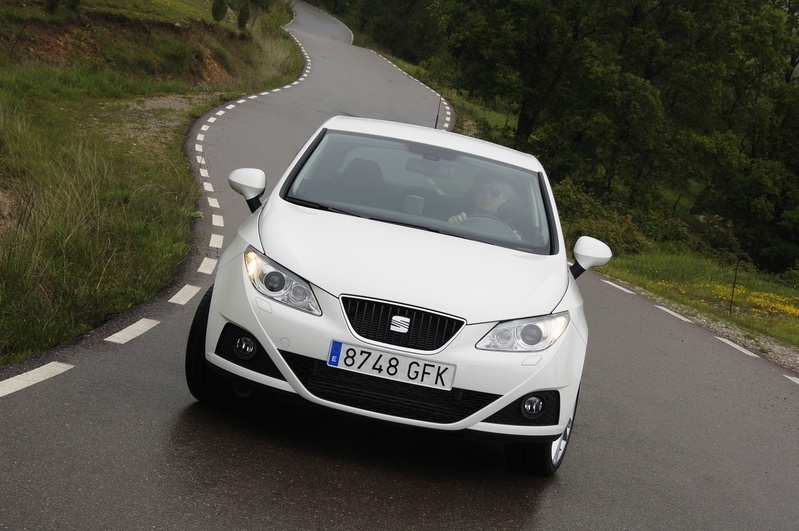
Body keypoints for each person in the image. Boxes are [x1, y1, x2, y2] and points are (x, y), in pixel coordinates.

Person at [448, 171, 514, 224]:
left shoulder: (512, 225)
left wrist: (514, 238)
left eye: (495, 192)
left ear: (505, 198)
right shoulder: (453, 212)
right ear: (474, 192)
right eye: (482, 190)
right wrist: (451, 226)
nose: (487, 196)